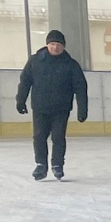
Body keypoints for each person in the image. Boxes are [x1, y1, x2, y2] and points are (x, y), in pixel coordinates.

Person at [16, 28, 88, 181]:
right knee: (39, 136)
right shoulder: (35, 61)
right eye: (53, 44)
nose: (56, 47)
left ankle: (57, 165)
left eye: (59, 45)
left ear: (64, 46)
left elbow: (80, 87)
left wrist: (82, 109)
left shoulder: (71, 65)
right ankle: (41, 164)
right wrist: (20, 100)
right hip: (40, 107)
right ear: (47, 45)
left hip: (61, 109)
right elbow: (25, 81)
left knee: (58, 137)